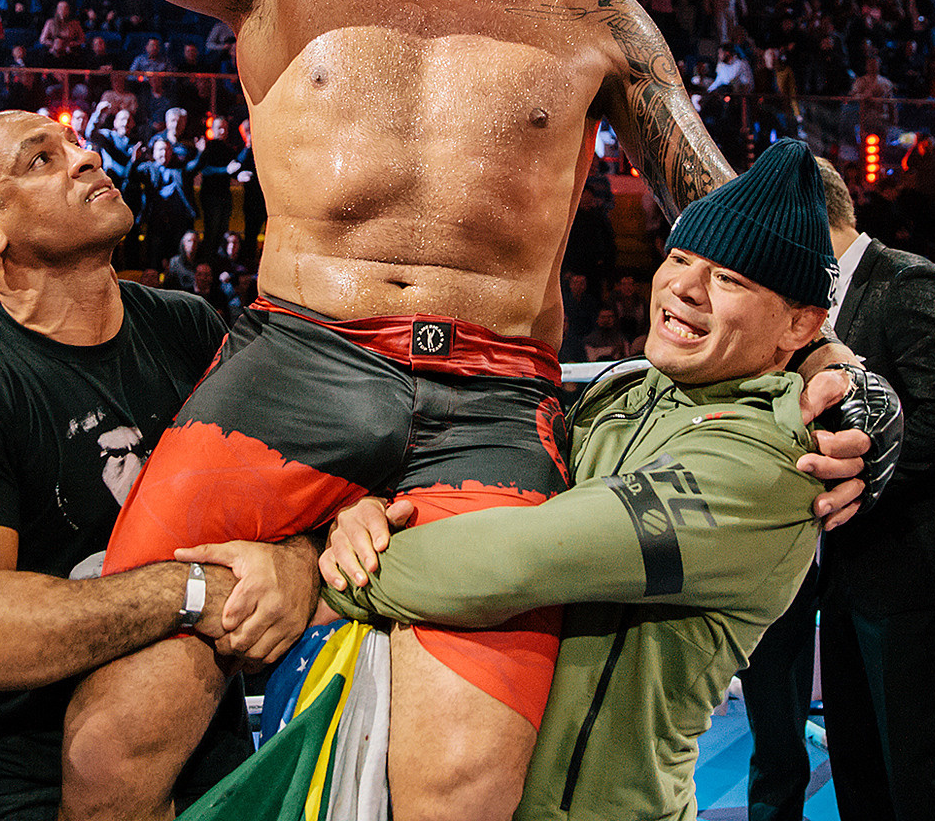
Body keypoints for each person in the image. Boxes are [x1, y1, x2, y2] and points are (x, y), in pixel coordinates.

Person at [39, 0, 880, 818]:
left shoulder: (594, 19)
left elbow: (731, 215)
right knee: (115, 745)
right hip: (294, 366)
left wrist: (837, 361)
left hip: (495, 394)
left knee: (465, 785)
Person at [311, 142, 894, 821]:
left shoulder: (766, 468)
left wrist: (311, 574)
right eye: (679, 258)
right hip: (471, 788)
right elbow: (466, 493)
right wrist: (365, 514)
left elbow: (506, 562)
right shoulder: (618, 395)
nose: (684, 287)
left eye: (730, 279)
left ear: (799, 324)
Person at [0, 111, 322, 821]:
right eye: (41, 161)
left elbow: (288, 498)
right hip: (40, 794)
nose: (86, 159)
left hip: (213, 772)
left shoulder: (185, 327)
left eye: (78, 146)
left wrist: (297, 559)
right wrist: (185, 593)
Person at [743, 158, 935, 821]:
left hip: (915, 571)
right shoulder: (810, 302)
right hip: (853, 571)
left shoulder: (907, 280)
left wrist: (857, 467)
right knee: (857, 763)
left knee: (917, 774)